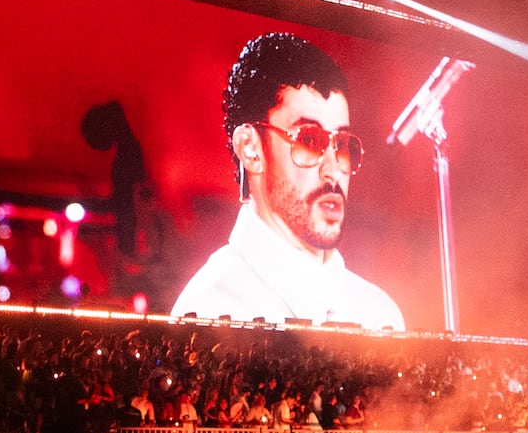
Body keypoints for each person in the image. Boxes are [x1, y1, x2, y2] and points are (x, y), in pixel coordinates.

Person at [171, 32, 405, 329]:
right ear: (250, 149)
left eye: (342, 144)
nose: (333, 169)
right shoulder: (211, 312)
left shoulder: (379, 314)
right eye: (309, 140)